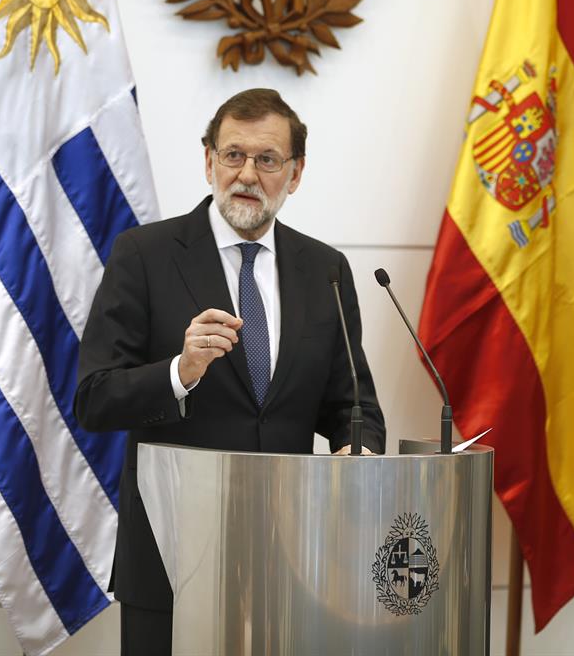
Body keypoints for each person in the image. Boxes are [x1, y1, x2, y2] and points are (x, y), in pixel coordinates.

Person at [75, 88, 386, 656]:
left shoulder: (326, 269)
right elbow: (94, 399)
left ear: (295, 174)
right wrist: (179, 372)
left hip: (296, 561)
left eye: (267, 159)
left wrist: (356, 452)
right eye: (232, 155)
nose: (247, 173)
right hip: (174, 559)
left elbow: (354, 408)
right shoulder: (144, 254)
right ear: (208, 161)